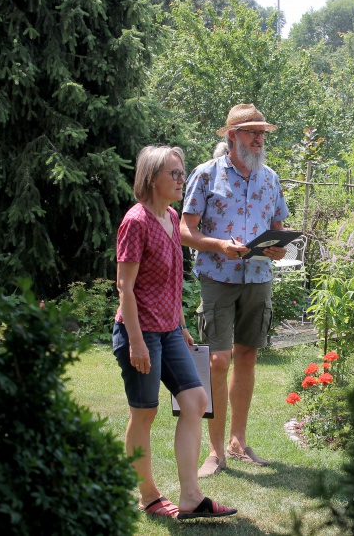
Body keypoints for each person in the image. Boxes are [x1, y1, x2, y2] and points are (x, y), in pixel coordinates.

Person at [113, 145, 236, 520]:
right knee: (144, 414)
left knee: (196, 402)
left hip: (169, 331)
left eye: (183, 173)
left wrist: (181, 325)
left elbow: (171, 282)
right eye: (175, 173)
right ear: (151, 178)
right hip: (141, 333)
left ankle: (190, 496)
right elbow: (125, 287)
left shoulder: (169, 216)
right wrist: (136, 340)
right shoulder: (136, 221)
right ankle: (148, 495)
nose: (183, 179)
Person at [180, 104, 288, 477]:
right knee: (217, 361)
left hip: (258, 278)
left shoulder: (270, 178)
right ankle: (214, 451)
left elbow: (279, 229)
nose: (259, 139)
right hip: (217, 279)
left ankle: (238, 442)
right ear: (232, 136)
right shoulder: (205, 175)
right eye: (251, 133)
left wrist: (279, 249)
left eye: (262, 133)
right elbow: (184, 230)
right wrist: (220, 245)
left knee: (247, 357)